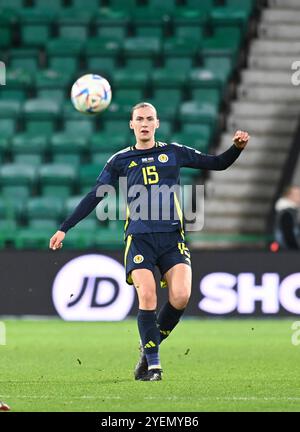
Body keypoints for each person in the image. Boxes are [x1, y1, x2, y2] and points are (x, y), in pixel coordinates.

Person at [49, 102, 250, 381]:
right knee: (148, 295)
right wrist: (65, 228)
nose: (144, 123)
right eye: (139, 119)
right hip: (139, 238)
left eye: (149, 119)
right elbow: (96, 195)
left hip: (171, 237)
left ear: (157, 123)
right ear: (132, 125)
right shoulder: (120, 160)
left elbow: (217, 163)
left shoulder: (174, 152)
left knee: (180, 296)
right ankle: (153, 365)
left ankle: (148, 348)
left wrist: (236, 148)